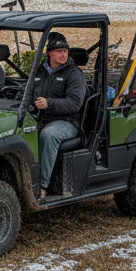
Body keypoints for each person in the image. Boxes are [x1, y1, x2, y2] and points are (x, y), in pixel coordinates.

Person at [31, 32, 87, 198]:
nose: (63, 54)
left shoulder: (73, 74)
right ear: (49, 53)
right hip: (41, 118)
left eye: (65, 51)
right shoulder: (40, 71)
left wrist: (50, 103)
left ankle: (41, 186)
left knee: (49, 135)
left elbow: (75, 103)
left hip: (67, 122)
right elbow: (29, 93)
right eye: (59, 51)